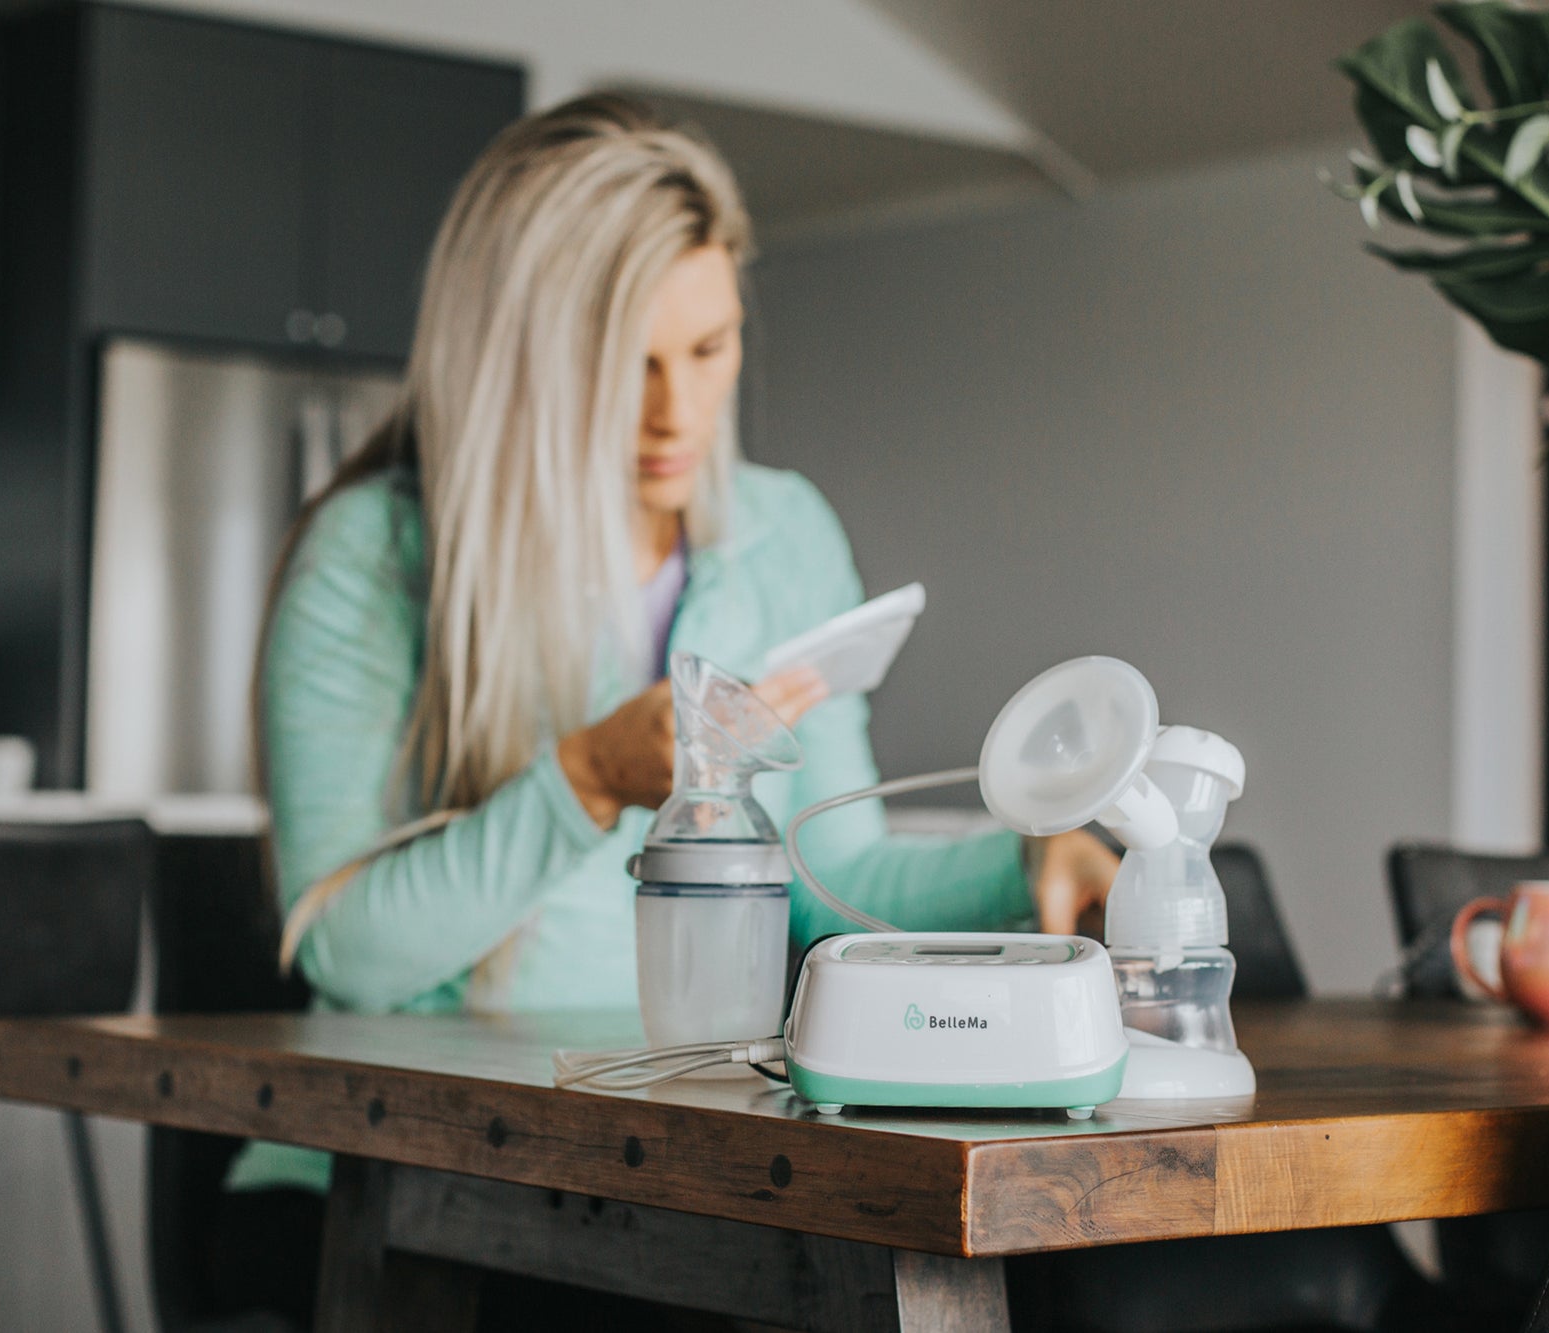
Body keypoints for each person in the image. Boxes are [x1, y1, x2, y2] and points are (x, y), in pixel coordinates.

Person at [210, 94, 1119, 1327]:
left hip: (685, 1164)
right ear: (521, 358)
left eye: (707, 350)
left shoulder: (782, 529)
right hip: (395, 1175)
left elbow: (830, 873)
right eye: (623, 364)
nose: (675, 415)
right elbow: (346, 953)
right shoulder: (371, 557)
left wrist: (1027, 870)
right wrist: (584, 778)